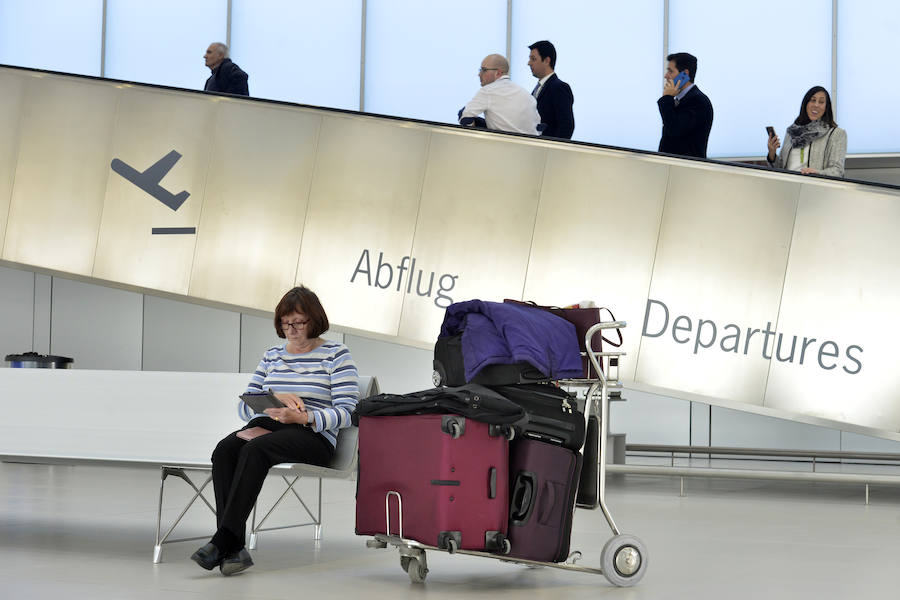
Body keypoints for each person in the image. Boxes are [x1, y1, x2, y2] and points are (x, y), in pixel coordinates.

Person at [191, 286, 358, 575]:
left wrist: (303, 418)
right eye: (285, 322)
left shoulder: (336, 354)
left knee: (256, 449)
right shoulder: (272, 355)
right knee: (225, 449)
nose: (291, 329)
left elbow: (348, 412)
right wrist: (276, 399)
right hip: (269, 426)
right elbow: (245, 406)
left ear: (314, 320)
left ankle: (223, 540)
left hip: (312, 435)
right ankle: (233, 548)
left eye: (298, 322)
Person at [766, 86, 847, 177]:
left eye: (821, 102)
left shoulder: (836, 134)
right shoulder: (792, 132)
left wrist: (817, 173)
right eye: (812, 100)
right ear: (806, 103)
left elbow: (837, 171)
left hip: (814, 188)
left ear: (826, 107)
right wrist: (772, 154)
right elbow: (780, 168)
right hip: (788, 186)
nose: (816, 105)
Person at [459, 54, 540, 135]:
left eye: (484, 70)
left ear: (498, 73)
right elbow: (538, 128)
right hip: (530, 146)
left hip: (501, 145)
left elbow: (465, 118)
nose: (479, 74)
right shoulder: (527, 95)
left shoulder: (487, 91)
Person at [657, 52, 714, 158]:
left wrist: (666, 98)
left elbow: (674, 129)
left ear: (685, 74)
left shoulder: (698, 101)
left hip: (687, 170)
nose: (666, 76)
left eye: (670, 71)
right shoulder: (680, 99)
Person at [527, 40, 575, 139]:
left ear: (547, 61)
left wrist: (554, 150)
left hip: (549, 151)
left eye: (533, 59)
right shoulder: (538, 88)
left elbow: (566, 126)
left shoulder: (559, 87)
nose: (529, 63)